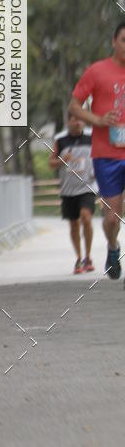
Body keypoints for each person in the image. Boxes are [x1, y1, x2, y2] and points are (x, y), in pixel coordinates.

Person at [68, 21, 125, 281]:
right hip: (106, 155)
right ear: (114, 42)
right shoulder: (97, 71)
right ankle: (113, 247)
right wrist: (98, 120)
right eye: (123, 40)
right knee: (112, 219)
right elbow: (75, 106)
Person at [48, 114, 96, 273]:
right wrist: (63, 160)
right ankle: (79, 258)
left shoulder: (92, 137)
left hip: (87, 186)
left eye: (81, 119)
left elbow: (100, 156)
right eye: (75, 119)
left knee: (86, 218)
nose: (78, 122)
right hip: (68, 190)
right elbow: (51, 164)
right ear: (69, 121)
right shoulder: (60, 140)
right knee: (74, 224)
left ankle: (88, 256)